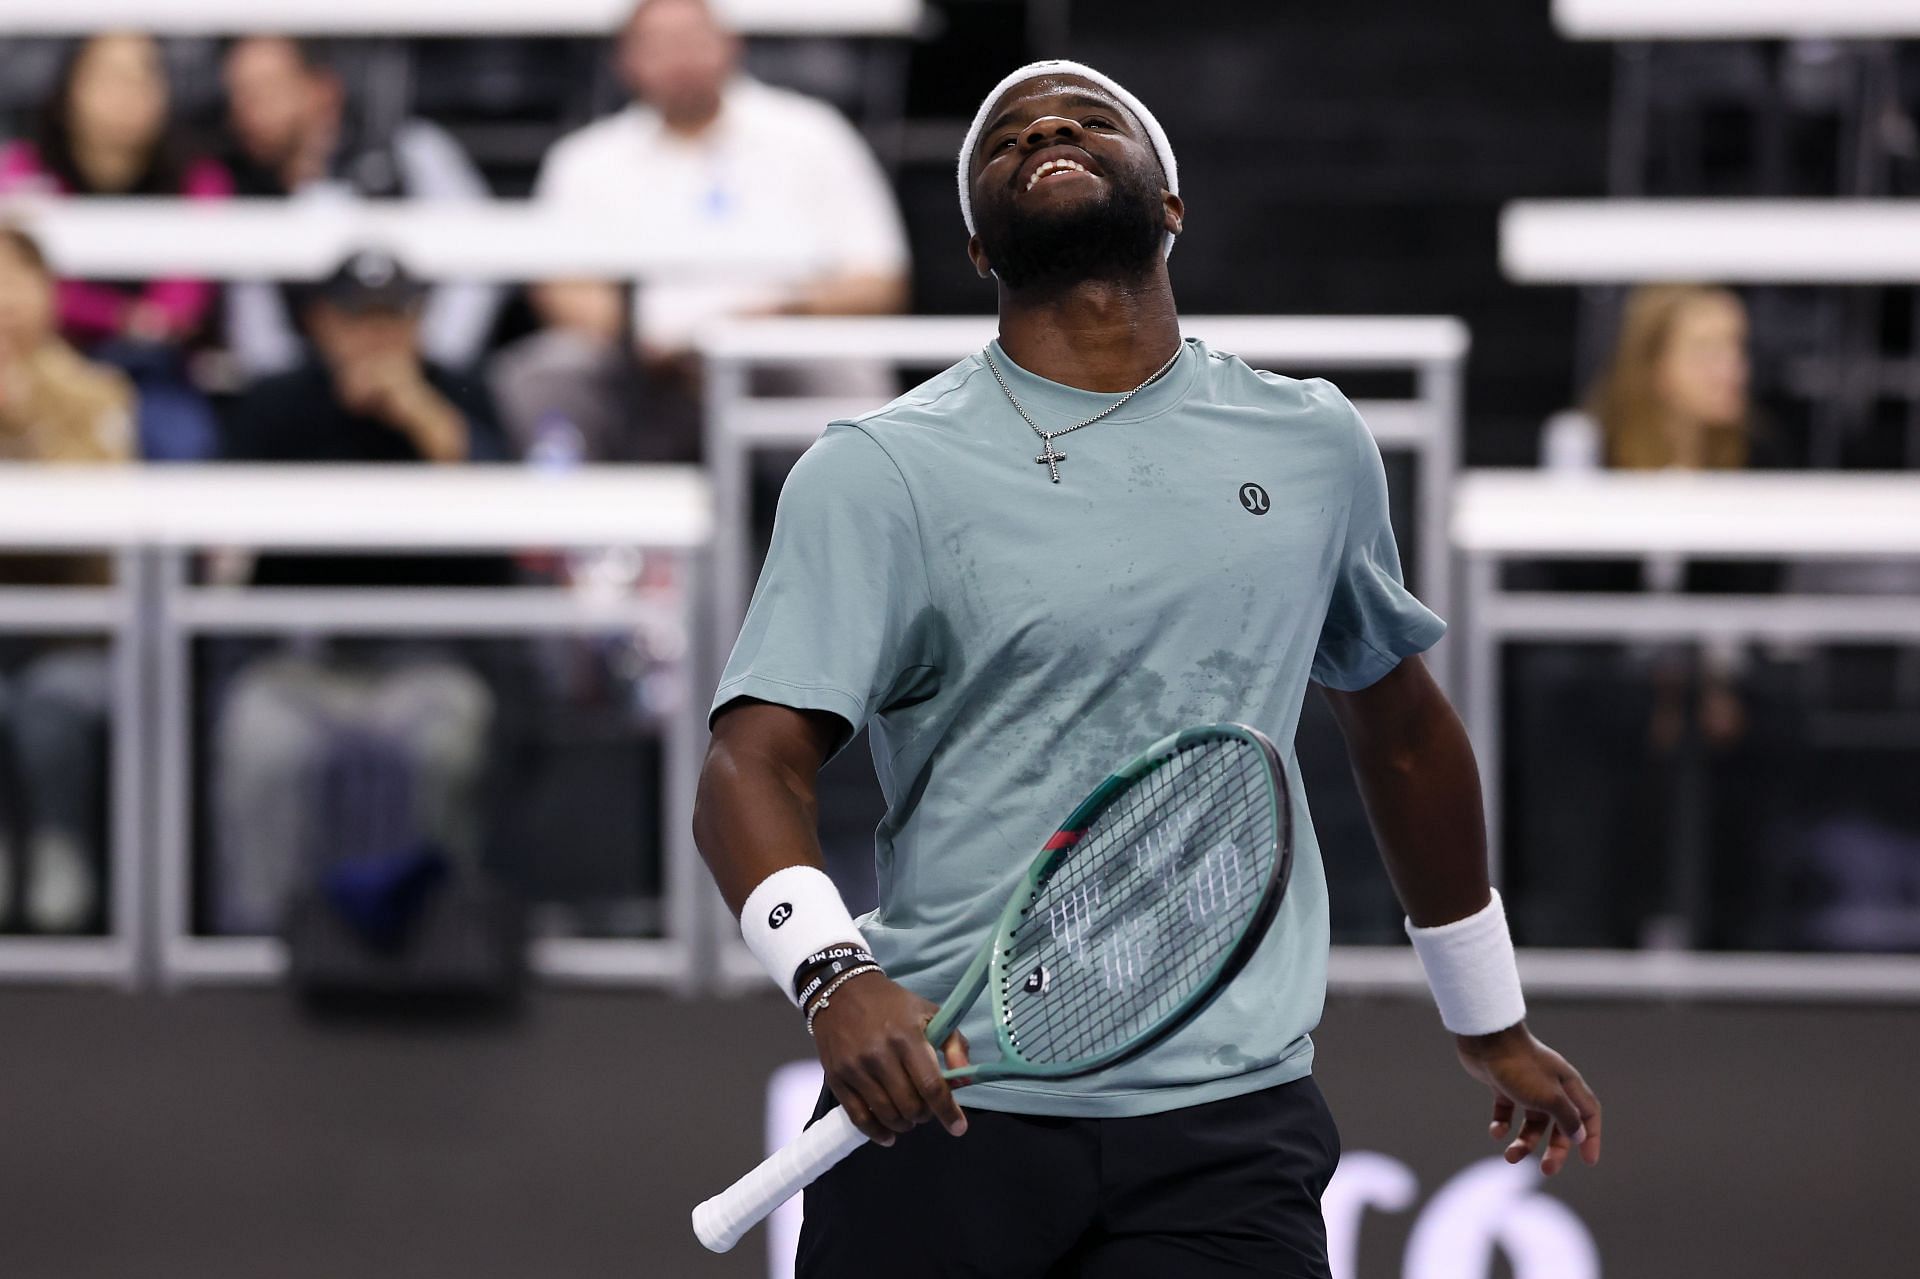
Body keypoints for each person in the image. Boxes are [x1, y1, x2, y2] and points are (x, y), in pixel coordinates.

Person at [694, 60, 1603, 1277]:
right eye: (1008, 135)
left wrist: (1487, 1013)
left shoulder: (1315, 443)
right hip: (944, 1109)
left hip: (1228, 1125)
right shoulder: (876, 471)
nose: (1050, 129)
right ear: (975, 241)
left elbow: (1401, 733)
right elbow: (748, 769)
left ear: (1170, 204)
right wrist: (832, 978)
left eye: (1089, 120)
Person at [212, 249, 502, 935]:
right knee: (262, 741)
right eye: (357, 321)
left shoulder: (459, 391)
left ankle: (438, 934)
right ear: (320, 323)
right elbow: (218, 519)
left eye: (394, 320)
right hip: (298, 656)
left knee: (444, 740)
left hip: (429, 655)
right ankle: (260, 938)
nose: (376, 339)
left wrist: (431, 425)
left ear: (421, 321)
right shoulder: (277, 399)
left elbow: (523, 511)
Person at [505, 0, 912, 459]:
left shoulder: (811, 135)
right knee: (546, 372)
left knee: (845, 374)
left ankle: (860, 524)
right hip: (636, 362)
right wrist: (640, 339)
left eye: (692, 40)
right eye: (659, 45)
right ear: (625, 61)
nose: (680, 58)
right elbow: (560, 287)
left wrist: (772, 317)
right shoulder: (586, 159)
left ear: (731, 45)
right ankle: (563, 523)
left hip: (777, 345)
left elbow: (878, 280)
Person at [0, 32, 230, 461]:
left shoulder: (196, 176)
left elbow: (186, 293)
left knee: (183, 440)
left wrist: (146, 324)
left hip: (157, 368)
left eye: (144, 76)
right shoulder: (23, 171)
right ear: (71, 88)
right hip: (49, 352)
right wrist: (118, 316)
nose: (128, 93)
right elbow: (19, 279)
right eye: (111, 77)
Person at [221, 36, 505, 377]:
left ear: (323, 90)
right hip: (307, 393)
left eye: (266, 89)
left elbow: (479, 271)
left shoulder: (413, 152)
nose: (247, 108)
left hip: (422, 376)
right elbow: (259, 342)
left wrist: (429, 362)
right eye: (238, 94)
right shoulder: (240, 187)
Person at [0, 225, 135, 933]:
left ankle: (60, 854)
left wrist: (28, 424)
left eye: (18, 280)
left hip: (74, 629)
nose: (5, 302)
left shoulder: (95, 391)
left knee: (50, 706)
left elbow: (98, 525)